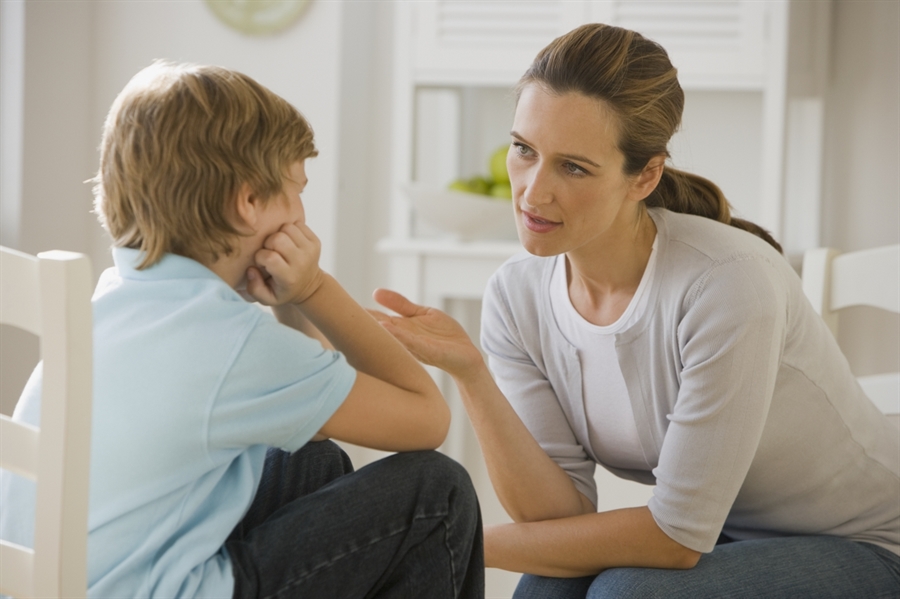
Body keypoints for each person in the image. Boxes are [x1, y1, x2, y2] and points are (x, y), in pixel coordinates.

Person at [370, 23, 900, 599]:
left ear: (644, 175)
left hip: (865, 545)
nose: (532, 192)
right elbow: (554, 516)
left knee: (626, 593)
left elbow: (673, 537)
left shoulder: (725, 284)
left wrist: (455, 537)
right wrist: (471, 373)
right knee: (547, 587)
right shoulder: (517, 295)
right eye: (524, 149)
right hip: (718, 538)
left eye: (573, 167)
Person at [0, 61, 484, 598]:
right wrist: (312, 289)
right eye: (296, 190)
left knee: (310, 457)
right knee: (438, 493)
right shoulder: (231, 342)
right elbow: (427, 420)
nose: (302, 215)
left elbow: (317, 424)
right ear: (248, 203)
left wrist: (286, 307)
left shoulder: (118, 298)